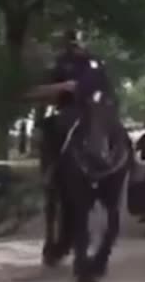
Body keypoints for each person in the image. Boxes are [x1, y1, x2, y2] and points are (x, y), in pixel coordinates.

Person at [27, 29, 115, 179]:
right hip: (68, 106)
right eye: (73, 45)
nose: (76, 48)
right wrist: (59, 88)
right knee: (49, 128)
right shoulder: (62, 62)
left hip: (94, 106)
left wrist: (69, 87)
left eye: (78, 45)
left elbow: (88, 85)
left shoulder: (93, 62)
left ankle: (109, 158)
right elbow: (52, 84)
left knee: (103, 126)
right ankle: (50, 170)